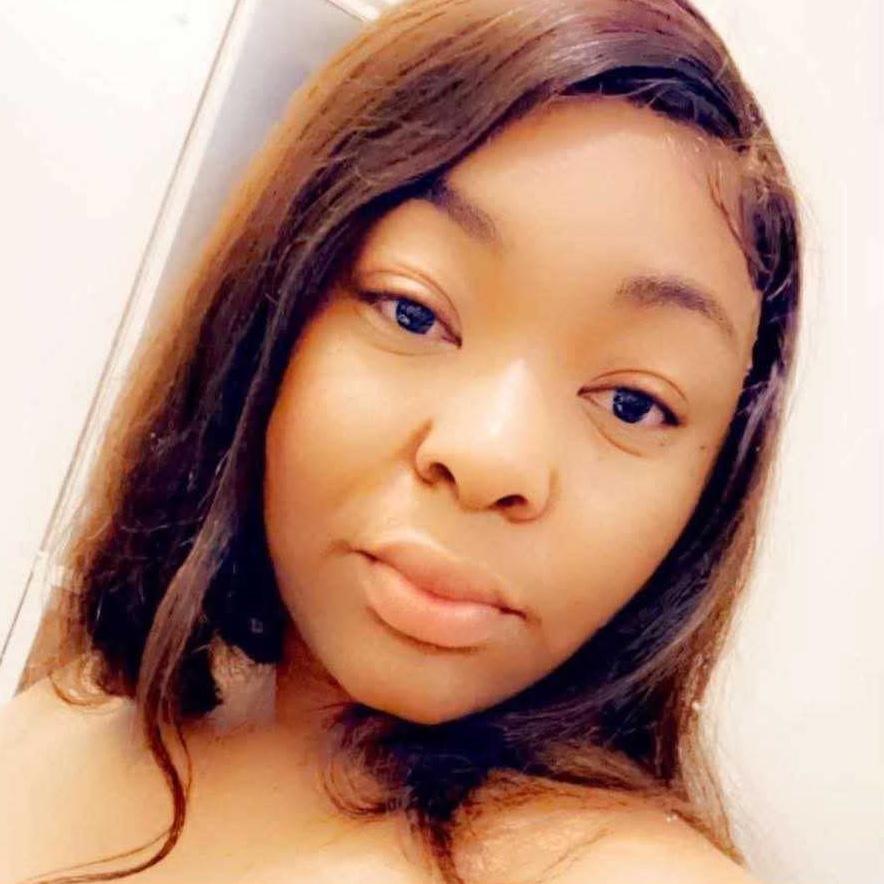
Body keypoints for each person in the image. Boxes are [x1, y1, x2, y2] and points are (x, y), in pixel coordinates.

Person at [0, 0, 801, 881]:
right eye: (413, 313)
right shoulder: (62, 720)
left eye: (633, 403)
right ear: (273, 307)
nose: (491, 456)